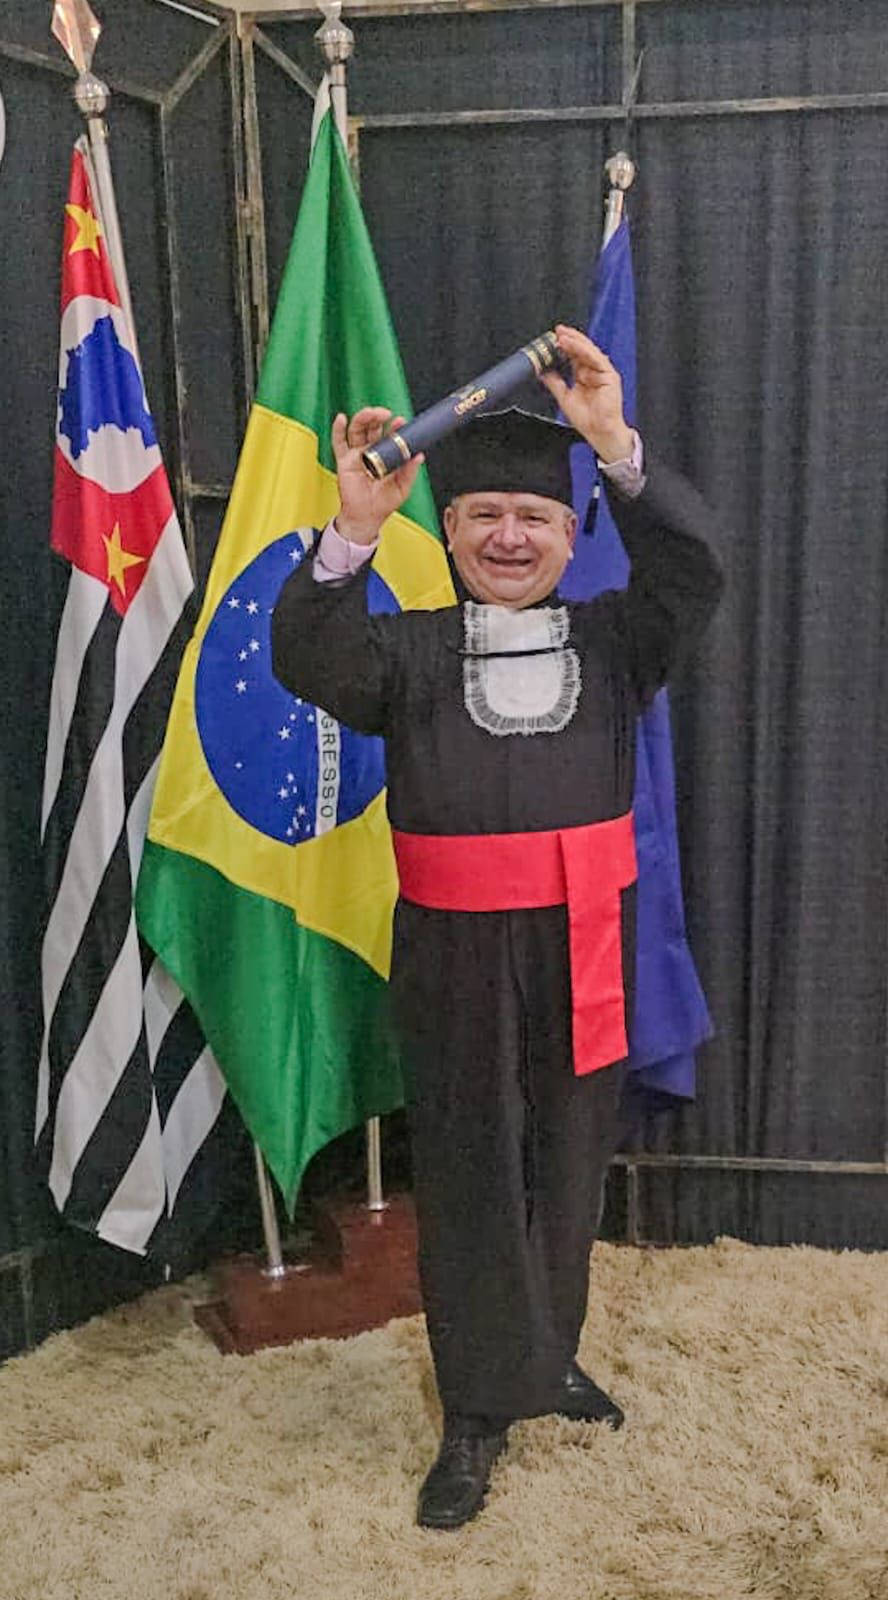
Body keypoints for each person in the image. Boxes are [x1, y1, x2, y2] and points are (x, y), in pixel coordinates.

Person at [271, 325, 723, 1530]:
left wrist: (611, 440)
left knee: (568, 1161)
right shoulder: (404, 651)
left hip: (584, 941)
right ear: (452, 529)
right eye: (483, 517)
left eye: (534, 516)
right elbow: (303, 651)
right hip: (455, 957)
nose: (510, 537)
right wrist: (356, 524)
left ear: (571, 534)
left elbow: (692, 571)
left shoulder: (620, 641)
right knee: (472, 1166)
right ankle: (474, 1408)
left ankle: (546, 1356)